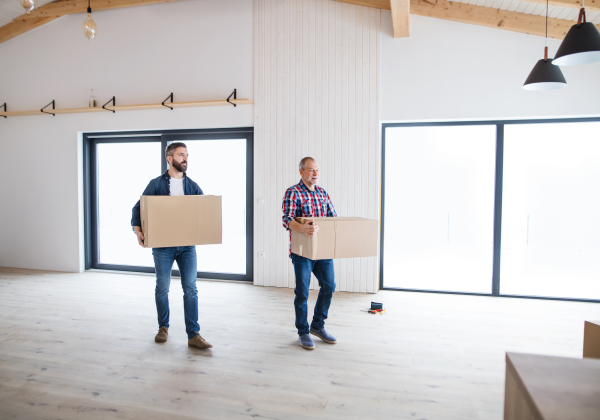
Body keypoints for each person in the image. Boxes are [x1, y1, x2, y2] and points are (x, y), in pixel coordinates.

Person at [131, 142, 212, 350]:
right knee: (162, 288)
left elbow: (203, 211)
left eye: (186, 155)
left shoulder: (192, 186)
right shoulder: (156, 184)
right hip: (163, 247)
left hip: (187, 247)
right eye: (181, 155)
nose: (185, 159)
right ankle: (163, 327)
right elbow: (138, 208)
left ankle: (193, 334)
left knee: (191, 289)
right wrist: (138, 231)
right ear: (169, 158)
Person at [282, 157, 338, 350]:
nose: (315, 173)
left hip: (322, 250)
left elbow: (333, 219)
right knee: (302, 292)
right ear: (301, 172)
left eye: (317, 170)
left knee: (329, 286)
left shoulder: (323, 194)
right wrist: (302, 228)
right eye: (311, 170)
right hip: (302, 252)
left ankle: (317, 326)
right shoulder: (293, 192)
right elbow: (287, 219)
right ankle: (303, 331)